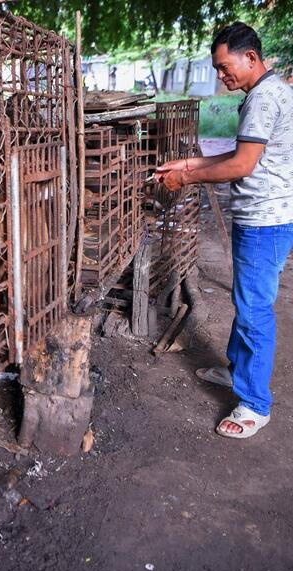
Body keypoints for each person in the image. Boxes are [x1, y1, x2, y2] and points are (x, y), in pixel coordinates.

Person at [156, 22, 293, 439]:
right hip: (263, 216)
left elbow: (240, 166)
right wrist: (189, 164)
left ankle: (253, 404)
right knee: (246, 298)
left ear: (250, 57)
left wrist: (187, 181)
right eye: (216, 68)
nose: (220, 75)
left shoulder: (265, 98)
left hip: (264, 220)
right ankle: (237, 371)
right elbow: (244, 152)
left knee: (254, 309)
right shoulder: (266, 93)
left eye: (223, 66)